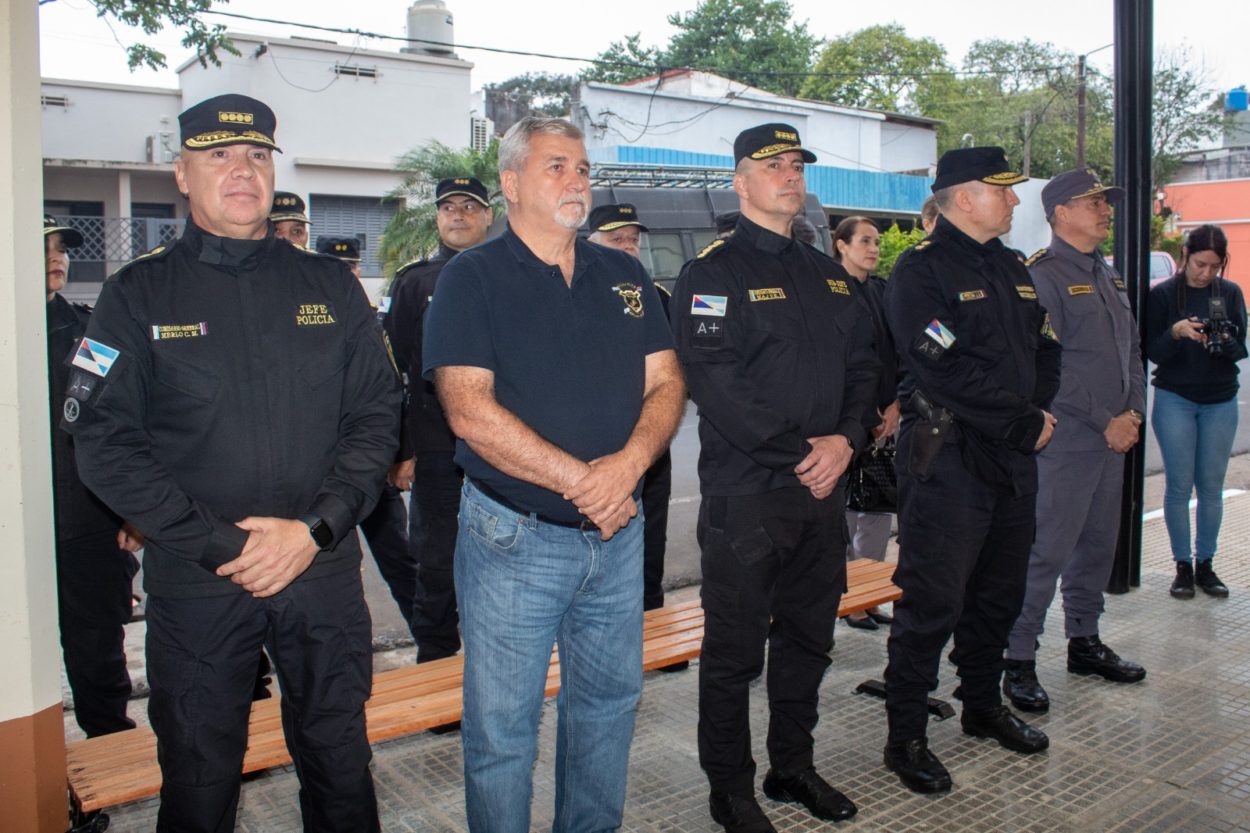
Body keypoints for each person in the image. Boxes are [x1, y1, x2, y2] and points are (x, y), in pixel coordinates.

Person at [63, 93, 400, 832]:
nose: (242, 170)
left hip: (321, 572)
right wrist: (228, 545)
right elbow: (102, 441)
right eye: (218, 156)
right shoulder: (134, 295)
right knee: (199, 776)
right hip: (200, 582)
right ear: (182, 175)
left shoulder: (329, 287)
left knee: (341, 763)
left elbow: (376, 417)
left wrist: (316, 527)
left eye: (255, 154)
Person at [423, 117, 685, 833]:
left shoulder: (624, 273)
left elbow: (666, 381)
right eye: (556, 167)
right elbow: (468, 411)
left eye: (583, 167)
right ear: (510, 184)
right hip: (515, 539)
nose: (577, 181)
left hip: (616, 537)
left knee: (605, 709)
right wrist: (587, 481)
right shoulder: (469, 278)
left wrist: (628, 465)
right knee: (503, 732)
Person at [671, 122, 878, 832]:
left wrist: (848, 440)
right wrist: (805, 452)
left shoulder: (825, 272)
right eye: (773, 164)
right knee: (733, 653)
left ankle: (793, 765)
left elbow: (863, 368)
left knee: (808, 640)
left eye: (796, 164)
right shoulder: (712, 273)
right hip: (750, 499)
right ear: (739, 179)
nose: (790, 174)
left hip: (822, 496)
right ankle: (731, 788)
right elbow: (716, 382)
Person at [881, 146, 1061, 794]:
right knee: (932, 602)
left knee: (997, 594)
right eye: (1003, 189)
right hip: (950, 459)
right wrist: (1021, 419)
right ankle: (905, 734)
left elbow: (1044, 347)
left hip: (1011, 460)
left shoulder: (1012, 266)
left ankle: (982, 704)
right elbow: (941, 364)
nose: (1015, 200)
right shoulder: (920, 271)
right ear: (963, 197)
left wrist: (1033, 411)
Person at [1003, 169, 1148, 713]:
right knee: (1046, 551)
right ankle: (1017, 658)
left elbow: (1132, 351)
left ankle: (1083, 640)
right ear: (1061, 212)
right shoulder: (1044, 276)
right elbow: (1051, 367)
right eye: (1094, 203)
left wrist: (1132, 412)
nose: (1105, 210)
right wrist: (1104, 419)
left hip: (1113, 437)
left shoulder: (1108, 275)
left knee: (1097, 546)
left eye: (1105, 203)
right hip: (1069, 440)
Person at [385, 175, 494, 663]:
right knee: (437, 564)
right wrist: (402, 449)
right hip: (437, 450)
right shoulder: (414, 282)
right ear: (436, 217)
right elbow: (395, 371)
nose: (458, 214)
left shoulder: (509, 273)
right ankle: (437, 665)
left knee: (502, 562)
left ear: (488, 216)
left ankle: (496, 667)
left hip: (502, 446)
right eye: (448, 207)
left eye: (469, 207)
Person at [44, 214, 140, 739]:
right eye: (43, 248)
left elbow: (123, 422)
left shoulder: (88, 331)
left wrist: (131, 510)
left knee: (99, 654)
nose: (56, 257)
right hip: (19, 529)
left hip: (86, 520)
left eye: (60, 247)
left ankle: (110, 761)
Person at [317, 233, 422, 639]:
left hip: (372, 472)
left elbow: (392, 389)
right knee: (330, 581)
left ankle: (428, 643)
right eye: (336, 265)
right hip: (320, 477)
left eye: (351, 266)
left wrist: (400, 454)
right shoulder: (294, 315)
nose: (346, 273)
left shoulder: (366, 315)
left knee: (400, 561)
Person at [587, 202, 677, 617]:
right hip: (597, 444)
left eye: (633, 241)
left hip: (650, 438)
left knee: (651, 535)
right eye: (615, 239)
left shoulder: (655, 296)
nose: (627, 248)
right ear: (590, 242)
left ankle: (652, 620)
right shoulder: (575, 291)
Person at [1146, 223, 1245, 600]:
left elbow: (1241, 352)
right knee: (1178, 485)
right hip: (1176, 398)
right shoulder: (1164, 294)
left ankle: (1206, 564)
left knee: (1210, 487)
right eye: (1200, 264)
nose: (1206, 273)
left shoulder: (1230, 293)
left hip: (1220, 399)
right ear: (1185, 256)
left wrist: (1223, 338)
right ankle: (1182, 567)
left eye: (1214, 267)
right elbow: (1152, 351)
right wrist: (1176, 333)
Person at [832, 216, 899, 631]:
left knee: (875, 510)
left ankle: (869, 594)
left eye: (876, 241)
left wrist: (894, 406)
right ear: (841, 245)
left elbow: (898, 351)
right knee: (842, 515)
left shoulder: (882, 290)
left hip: (886, 416)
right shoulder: (829, 289)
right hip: (846, 420)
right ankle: (846, 598)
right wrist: (863, 416)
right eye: (864, 241)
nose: (873, 249)